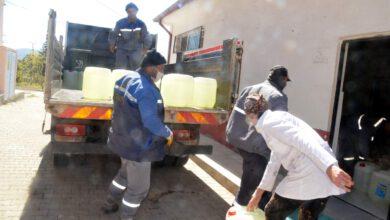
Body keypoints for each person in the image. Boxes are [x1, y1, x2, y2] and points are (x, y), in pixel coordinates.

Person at [244, 94, 354, 220]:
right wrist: (259, 192)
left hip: (311, 170)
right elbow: (274, 160)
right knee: (308, 215)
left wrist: (329, 167)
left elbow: (302, 140)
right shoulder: (277, 117)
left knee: (273, 212)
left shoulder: (269, 124)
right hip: (321, 170)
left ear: (251, 115)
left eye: (248, 117)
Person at [102, 50, 173, 220]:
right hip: (138, 147)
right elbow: (150, 120)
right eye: (161, 68)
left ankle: (109, 202)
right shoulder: (146, 89)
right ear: (151, 68)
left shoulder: (125, 79)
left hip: (122, 139)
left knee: (124, 175)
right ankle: (126, 217)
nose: (162, 72)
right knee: (139, 189)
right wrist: (168, 133)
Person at [225, 65, 291, 209]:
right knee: (249, 188)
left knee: (257, 182)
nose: (286, 84)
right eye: (286, 80)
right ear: (282, 79)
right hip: (256, 149)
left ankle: (259, 207)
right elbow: (279, 128)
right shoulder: (278, 97)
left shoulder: (248, 89)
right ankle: (236, 209)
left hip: (238, 140)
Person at [108, 2, 152, 70]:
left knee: (137, 70)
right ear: (127, 12)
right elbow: (113, 34)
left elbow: (146, 37)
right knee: (120, 69)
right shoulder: (120, 23)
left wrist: (145, 49)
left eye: (133, 11)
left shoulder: (141, 24)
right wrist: (112, 44)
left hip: (136, 50)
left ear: (136, 11)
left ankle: (135, 79)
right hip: (122, 49)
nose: (131, 13)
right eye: (129, 11)